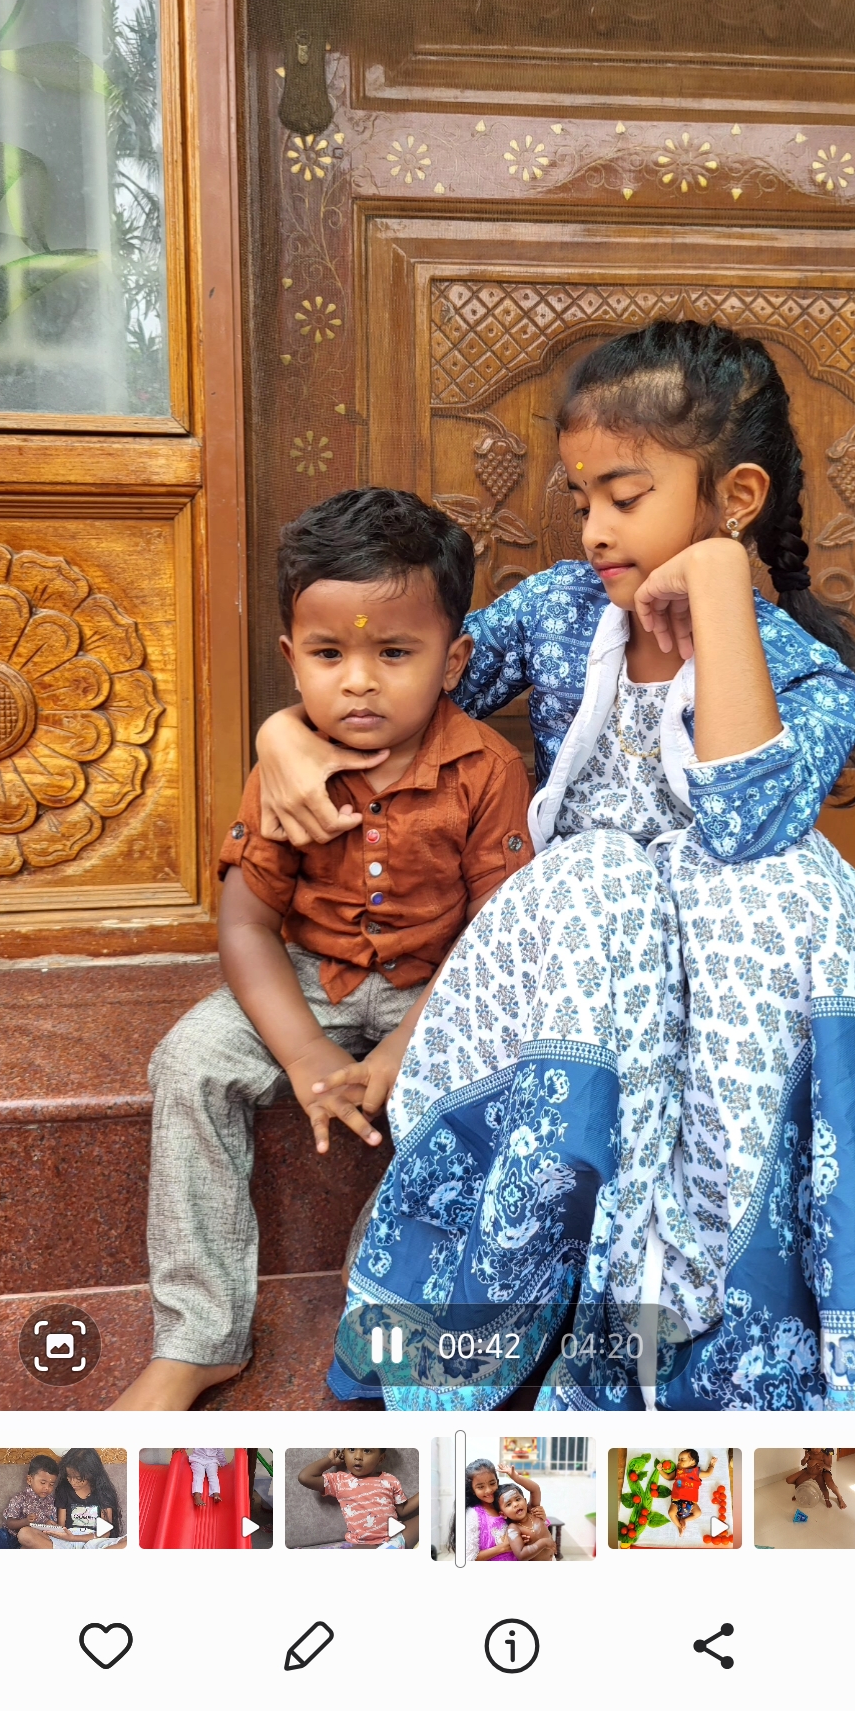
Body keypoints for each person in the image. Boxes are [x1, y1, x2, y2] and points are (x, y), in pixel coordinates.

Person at [256, 321, 855, 1414]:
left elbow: (745, 823)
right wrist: (282, 735)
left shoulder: (810, 675)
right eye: (581, 501)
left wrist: (720, 587)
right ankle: (488, 1317)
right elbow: (400, 690)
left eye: (625, 496)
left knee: (780, 895)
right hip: (589, 946)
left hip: (734, 962)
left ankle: (706, 1334)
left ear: (737, 496)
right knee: (599, 878)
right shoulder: (561, 611)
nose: (594, 530)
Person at [114, 489, 532, 1409]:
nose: (359, 682)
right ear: (291, 658)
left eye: (394, 653)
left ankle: (377, 1293)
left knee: (488, 1083)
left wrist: (400, 1052)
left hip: (446, 987)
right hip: (308, 978)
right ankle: (199, 1336)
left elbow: (495, 945)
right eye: (329, 654)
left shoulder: (486, 770)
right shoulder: (285, 765)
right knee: (189, 1061)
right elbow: (245, 925)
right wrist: (305, 1054)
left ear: (453, 660)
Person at [297, 1445, 418, 1549]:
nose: (358, 1456)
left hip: (394, 1537)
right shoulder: (340, 1481)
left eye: (367, 1450)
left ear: (380, 1459)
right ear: (344, 1453)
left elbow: (402, 1510)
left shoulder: (390, 1480)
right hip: (362, 1544)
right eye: (352, 1449)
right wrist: (330, 1461)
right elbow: (305, 1477)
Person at [48, 1449, 125, 1548]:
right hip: (68, 1543)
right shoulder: (64, 1490)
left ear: (91, 1473)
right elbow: (62, 1526)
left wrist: (74, 1538)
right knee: (28, 1534)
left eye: (78, 1478)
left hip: (94, 1541)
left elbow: (105, 1533)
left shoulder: (103, 1493)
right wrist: (53, 1528)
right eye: (69, 1476)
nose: (72, 1482)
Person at [0, 1455, 60, 1548]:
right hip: (10, 1537)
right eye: (43, 1483)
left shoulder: (51, 1502)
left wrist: (50, 1525)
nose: (47, 1487)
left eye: (51, 1484)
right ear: (29, 1480)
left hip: (33, 1539)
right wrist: (25, 1521)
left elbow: (53, 1523)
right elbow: (9, 1523)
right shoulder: (19, 1498)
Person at [496, 1476, 556, 1560]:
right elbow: (521, 1555)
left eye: (517, 1499)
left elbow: (535, 1489)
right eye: (508, 1504)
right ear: (503, 1514)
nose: (515, 1504)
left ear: (525, 1500)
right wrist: (543, 1543)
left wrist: (516, 1477)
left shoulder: (533, 1511)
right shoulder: (514, 1528)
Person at [669, 1446, 716, 1533]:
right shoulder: (678, 1471)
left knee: (698, 1513)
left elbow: (708, 1473)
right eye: (678, 1459)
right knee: (671, 1513)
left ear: (692, 1462)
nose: (679, 1462)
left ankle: (685, 1520)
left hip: (691, 1503)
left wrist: (711, 1465)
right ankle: (679, 1526)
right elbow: (668, 1477)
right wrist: (660, 1470)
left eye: (682, 1459)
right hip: (677, 1500)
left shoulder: (696, 1472)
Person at [786, 1447, 845, 1512]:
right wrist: (805, 1458)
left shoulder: (823, 1455)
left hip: (818, 1475)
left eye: (817, 1448)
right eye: (813, 1448)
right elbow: (802, 1463)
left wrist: (820, 1463)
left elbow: (829, 1467)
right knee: (798, 1482)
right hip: (808, 1473)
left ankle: (828, 1500)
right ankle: (797, 1494)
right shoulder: (809, 1453)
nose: (815, 1450)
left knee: (823, 1488)